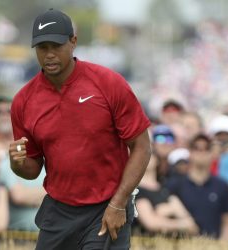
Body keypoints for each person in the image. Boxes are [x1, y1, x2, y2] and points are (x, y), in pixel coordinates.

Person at [8, 8, 151, 250]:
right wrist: (17, 163)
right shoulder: (24, 101)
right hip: (58, 209)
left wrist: (118, 203)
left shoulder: (108, 83)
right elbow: (33, 169)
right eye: (43, 48)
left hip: (106, 206)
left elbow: (141, 147)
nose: (50, 55)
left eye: (56, 46)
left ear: (73, 42)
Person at [165, 134, 228, 241]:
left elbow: (227, 222)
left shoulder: (222, 186)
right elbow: (163, 213)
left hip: (213, 246)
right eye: (196, 148)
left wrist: (224, 246)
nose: (201, 153)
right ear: (190, 153)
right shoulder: (174, 185)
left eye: (206, 148)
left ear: (212, 153)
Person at [133, 152, 198, 237]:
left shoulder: (166, 189)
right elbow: (150, 223)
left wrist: (168, 211)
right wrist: (181, 223)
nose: (145, 156)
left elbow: (193, 226)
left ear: (157, 160)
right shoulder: (135, 190)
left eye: (149, 152)